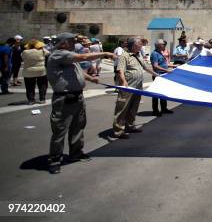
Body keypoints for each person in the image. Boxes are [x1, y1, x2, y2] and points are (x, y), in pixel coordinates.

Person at [47, 33, 115, 174]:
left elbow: (78, 70)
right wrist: (105, 53)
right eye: (72, 41)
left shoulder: (70, 55)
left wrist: (90, 78)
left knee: (78, 126)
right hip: (64, 98)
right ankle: (55, 159)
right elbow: (84, 57)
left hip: (77, 97)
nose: (75, 43)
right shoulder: (58, 54)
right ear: (63, 43)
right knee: (60, 130)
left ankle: (76, 153)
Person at [112, 37, 156, 139]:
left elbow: (145, 67)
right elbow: (120, 70)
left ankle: (130, 126)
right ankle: (119, 130)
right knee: (122, 108)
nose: (141, 46)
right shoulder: (124, 56)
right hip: (128, 87)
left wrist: (156, 74)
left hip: (137, 87)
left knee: (133, 108)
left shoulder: (138, 55)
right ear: (133, 45)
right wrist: (123, 81)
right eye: (139, 44)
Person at [150, 39, 175, 116]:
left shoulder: (160, 53)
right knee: (156, 94)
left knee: (163, 93)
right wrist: (166, 70)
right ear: (158, 45)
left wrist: (175, 66)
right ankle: (155, 111)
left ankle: (164, 108)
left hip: (163, 75)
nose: (164, 45)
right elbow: (155, 66)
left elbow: (165, 64)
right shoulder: (155, 54)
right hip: (158, 75)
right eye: (163, 44)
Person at [22, 39, 49, 104]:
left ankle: (31, 100)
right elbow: (48, 53)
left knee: (29, 86)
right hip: (41, 71)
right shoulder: (42, 50)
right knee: (42, 85)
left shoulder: (25, 52)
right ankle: (42, 99)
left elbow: (22, 58)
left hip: (28, 72)